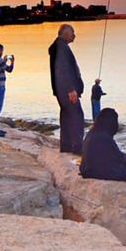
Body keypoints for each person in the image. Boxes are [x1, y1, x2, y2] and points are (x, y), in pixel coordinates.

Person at [48, 24, 85, 154]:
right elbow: (62, 69)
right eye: (72, 32)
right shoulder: (61, 47)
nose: (74, 35)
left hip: (61, 90)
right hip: (66, 90)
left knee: (66, 117)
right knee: (77, 117)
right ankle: (77, 148)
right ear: (65, 33)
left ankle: (66, 147)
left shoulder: (59, 46)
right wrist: (70, 89)